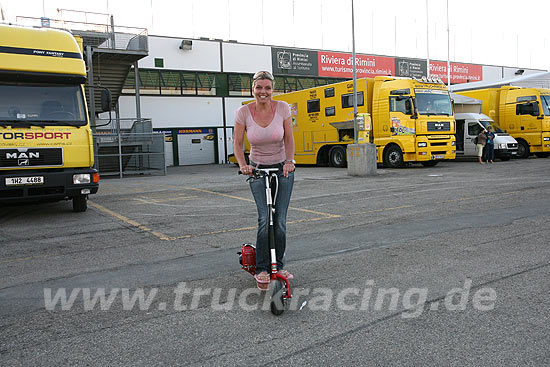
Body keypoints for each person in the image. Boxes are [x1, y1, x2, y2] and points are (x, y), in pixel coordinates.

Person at [233, 70, 296, 290]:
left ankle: (278, 266)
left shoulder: (283, 108)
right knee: (264, 219)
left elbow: (289, 138)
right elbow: (238, 143)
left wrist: (289, 161)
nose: (263, 92)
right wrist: (244, 165)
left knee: (279, 221)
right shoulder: (243, 112)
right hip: (257, 171)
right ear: (253, 89)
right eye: (259, 87)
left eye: (267, 88)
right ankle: (261, 269)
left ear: (273, 89)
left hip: (282, 170)